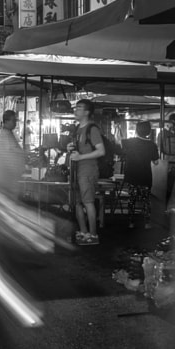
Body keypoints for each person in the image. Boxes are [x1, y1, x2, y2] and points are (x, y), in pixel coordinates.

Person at [67, 99, 104, 246]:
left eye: (79, 108)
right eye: (76, 107)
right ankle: (83, 232)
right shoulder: (78, 129)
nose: (76, 110)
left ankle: (93, 235)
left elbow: (101, 151)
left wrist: (81, 156)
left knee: (88, 202)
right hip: (77, 171)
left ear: (87, 112)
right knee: (77, 202)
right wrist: (70, 147)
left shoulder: (92, 129)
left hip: (88, 170)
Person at [121, 120, 158, 229]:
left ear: (137, 130)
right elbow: (156, 162)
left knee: (132, 199)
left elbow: (121, 152)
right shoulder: (152, 145)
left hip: (131, 175)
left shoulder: (128, 142)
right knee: (146, 199)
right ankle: (147, 223)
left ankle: (131, 222)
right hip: (145, 176)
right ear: (149, 131)